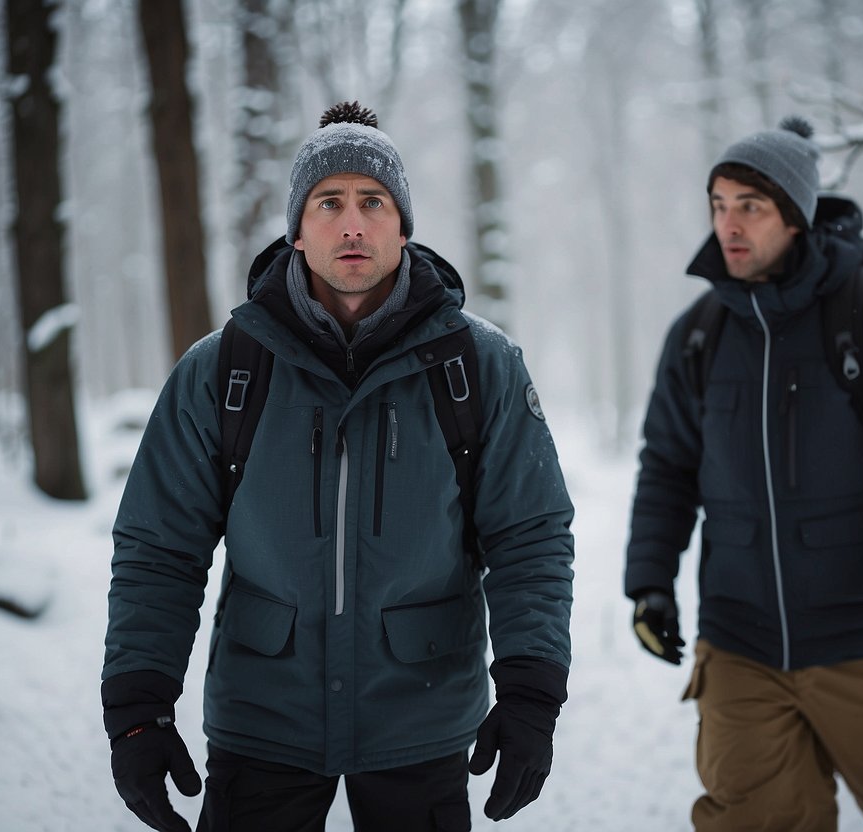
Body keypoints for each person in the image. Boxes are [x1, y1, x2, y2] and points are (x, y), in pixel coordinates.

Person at [102, 101, 575, 832]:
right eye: (329, 203)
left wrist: (530, 694)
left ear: (402, 224)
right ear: (296, 228)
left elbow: (530, 537)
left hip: (421, 717)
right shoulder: (223, 370)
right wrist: (137, 710)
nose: (351, 224)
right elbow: (158, 549)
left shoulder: (478, 367)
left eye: (372, 202)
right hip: (264, 722)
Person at [624, 116, 863, 832]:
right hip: (738, 649)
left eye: (749, 207)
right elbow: (666, 466)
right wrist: (650, 585)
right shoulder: (698, 333)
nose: (728, 225)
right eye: (718, 205)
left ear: (795, 217)